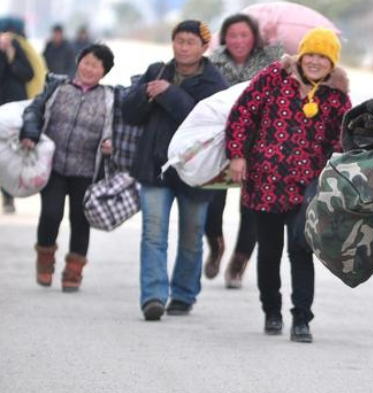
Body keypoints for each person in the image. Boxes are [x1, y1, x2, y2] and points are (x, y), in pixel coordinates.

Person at [226, 28, 351, 342]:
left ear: (331, 62)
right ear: (301, 55)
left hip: (309, 186)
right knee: (268, 251)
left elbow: (344, 141)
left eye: (323, 57)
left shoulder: (337, 96)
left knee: (300, 249)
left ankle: (301, 319)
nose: (315, 62)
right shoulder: (274, 77)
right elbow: (242, 114)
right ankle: (271, 311)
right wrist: (237, 155)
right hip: (265, 180)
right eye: (310, 54)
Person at [122, 20, 229, 321]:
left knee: (191, 236)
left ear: (204, 47)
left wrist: (169, 94)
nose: (183, 47)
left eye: (190, 42)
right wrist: (144, 93)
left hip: (196, 172)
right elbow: (128, 114)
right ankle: (153, 296)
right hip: (155, 168)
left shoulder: (214, 82)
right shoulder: (157, 70)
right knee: (153, 234)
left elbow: (206, 121)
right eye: (178, 40)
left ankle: (183, 293)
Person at [19, 44, 116, 292]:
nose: (89, 68)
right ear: (78, 62)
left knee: (80, 220)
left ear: (104, 72)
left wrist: (110, 144)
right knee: (51, 214)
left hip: (86, 170)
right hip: (54, 166)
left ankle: (74, 270)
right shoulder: (57, 87)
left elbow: (117, 128)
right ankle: (45, 258)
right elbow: (34, 111)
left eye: (96, 65)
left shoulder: (110, 97)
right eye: (86, 62)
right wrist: (29, 133)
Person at [204, 13, 284, 288]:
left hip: (260, 144)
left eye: (245, 35)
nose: (238, 40)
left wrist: (274, 43)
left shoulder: (269, 62)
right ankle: (215, 244)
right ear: (225, 37)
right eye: (233, 35)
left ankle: (239, 262)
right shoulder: (213, 62)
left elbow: (287, 76)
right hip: (219, 142)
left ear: (254, 37)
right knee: (212, 206)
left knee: (252, 207)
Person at [0, 26, 34, 214]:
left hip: (14, 112)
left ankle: (9, 196)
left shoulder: (17, 52)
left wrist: (12, 57)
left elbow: (29, 74)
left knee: (10, 154)